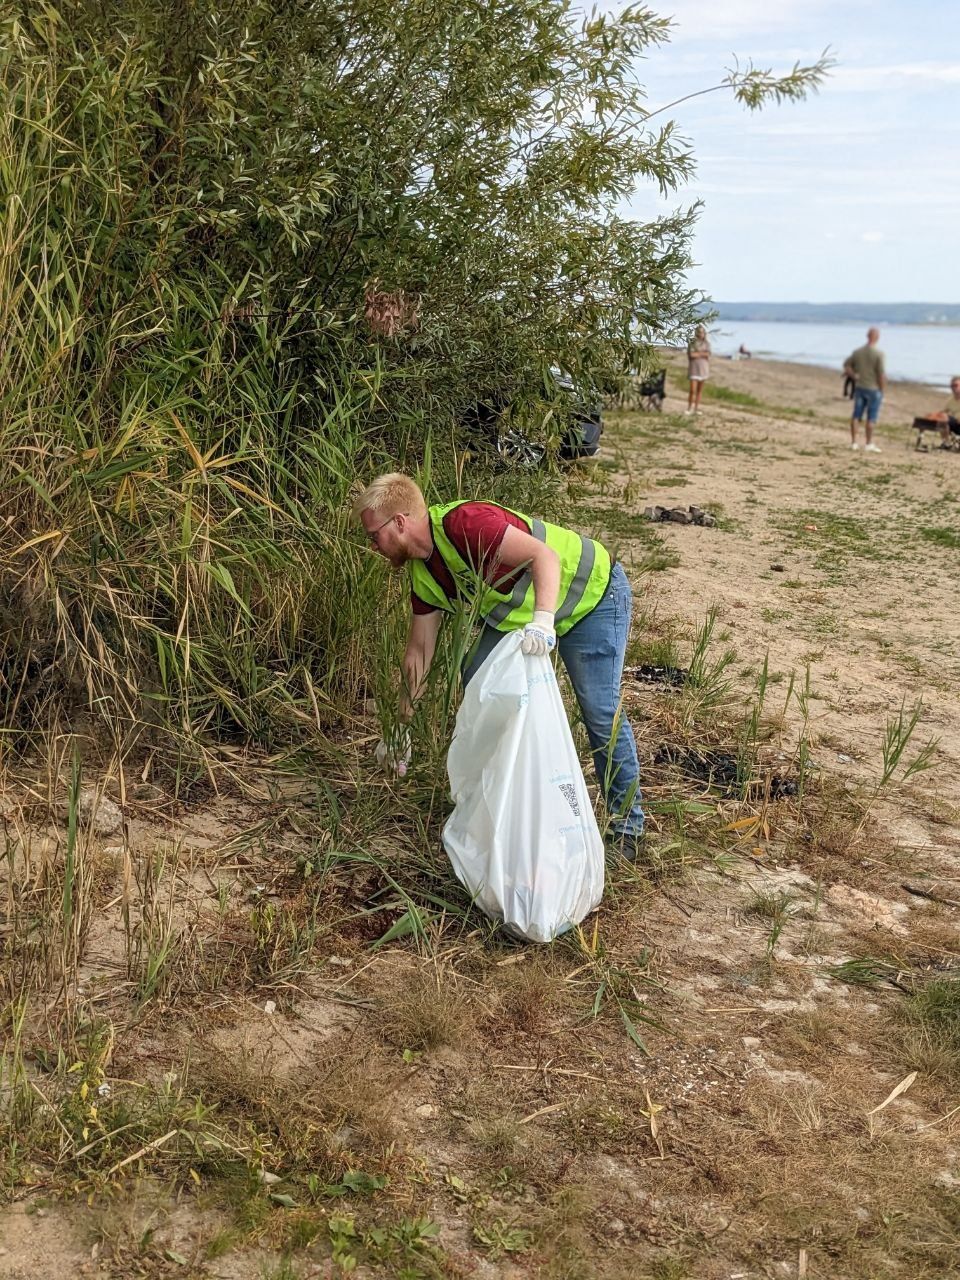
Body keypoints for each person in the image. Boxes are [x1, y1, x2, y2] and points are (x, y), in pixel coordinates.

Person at [352, 473, 645, 859]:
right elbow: (419, 653)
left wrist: (542, 621)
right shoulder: (424, 572)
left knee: (600, 711)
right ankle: (508, 805)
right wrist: (401, 727)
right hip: (532, 617)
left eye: (374, 535)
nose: (373, 545)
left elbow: (545, 556)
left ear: (401, 523)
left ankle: (628, 827)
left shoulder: (465, 525)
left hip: (591, 597)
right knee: (481, 682)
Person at [843, 327, 886, 452]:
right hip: (873, 389)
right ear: (877, 337)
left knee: (856, 415)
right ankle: (868, 443)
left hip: (860, 387)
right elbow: (881, 374)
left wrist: (853, 376)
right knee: (871, 417)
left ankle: (854, 442)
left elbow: (847, 365)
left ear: (867, 336)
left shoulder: (858, 352)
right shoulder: (879, 354)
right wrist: (882, 390)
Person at [928, 374, 960, 449]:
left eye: (956, 385)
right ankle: (946, 443)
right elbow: (943, 412)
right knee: (942, 419)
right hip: (956, 424)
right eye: (952, 386)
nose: (954, 388)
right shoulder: (950, 400)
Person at [686, 325, 711, 414]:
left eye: (703, 332)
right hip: (694, 369)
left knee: (699, 391)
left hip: (703, 368)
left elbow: (708, 354)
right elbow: (691, 355)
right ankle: (689, 408)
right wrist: (702, 354)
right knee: (692, 390)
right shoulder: (692, 343)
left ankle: (696, 408)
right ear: (696, 333)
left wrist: (698, 353)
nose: (701, 334)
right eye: (700, 332)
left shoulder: (707, 344)